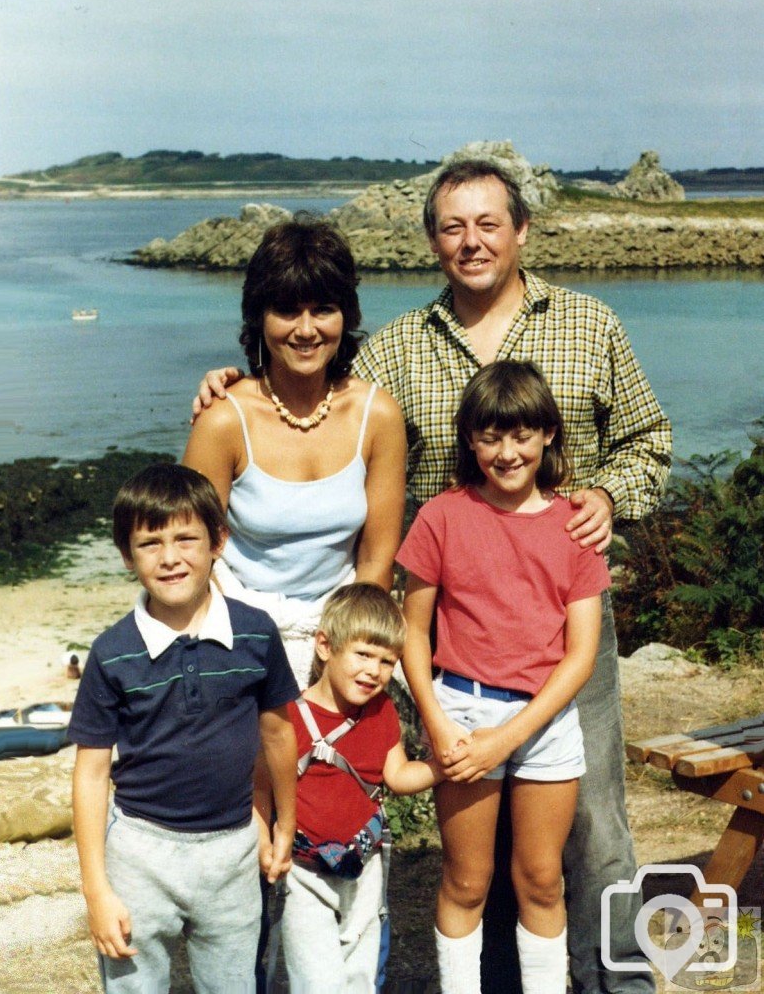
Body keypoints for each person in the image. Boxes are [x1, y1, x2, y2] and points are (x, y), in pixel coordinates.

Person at [192, 159, 672, 993]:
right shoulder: (400, 349)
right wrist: (233, 380)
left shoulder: (590, 324)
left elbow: (649, 440)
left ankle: (617, 984)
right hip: (448, 641)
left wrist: (604, 493)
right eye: (452, 227)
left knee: (592, 829)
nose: (472, 241)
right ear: (431, 242)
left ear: (522, 230)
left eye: (489, 223)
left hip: (565, 629)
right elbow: (319, 387)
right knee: (472, 841)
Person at [397, 360, 611, 993]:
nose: (507, 452)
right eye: (490, 436)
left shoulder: (576, 529)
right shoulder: (441, 515)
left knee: (541, 879)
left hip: (543, 724)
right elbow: (413, 632)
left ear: (548, 434)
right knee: (466, 881)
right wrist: (437, 723)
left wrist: (508, 736)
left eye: (521, 435)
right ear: (470, 440)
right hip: (461, 714)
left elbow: (579, 658)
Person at [69, 463, 300, 994]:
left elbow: (278, 735)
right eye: (150, 543)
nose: (170, 557)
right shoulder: (111, 653)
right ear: (128, 556)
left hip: (233, 849)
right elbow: (90, 775)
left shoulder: (256, 633)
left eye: (186, 538)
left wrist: (282, 820)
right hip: (139, 855)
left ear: (218, 540)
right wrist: (96, 890)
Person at [184, 216, 406, 691]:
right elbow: (190, 549)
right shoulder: (224, 418)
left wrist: (341, 658)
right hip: (232, 627)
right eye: (287, 311)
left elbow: (375, 561)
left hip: (342, 632)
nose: (306, 330)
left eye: (322, 309)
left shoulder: (378, 415)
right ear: (259, 317)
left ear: (345, 315)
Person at [262, 582, 442, 993]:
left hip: (364, 863)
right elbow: (263, 788)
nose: (373, 671)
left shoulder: (382, 712)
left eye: (386, 661)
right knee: (318, 979)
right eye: (363, 654)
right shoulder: (289, 716)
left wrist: (442, 767)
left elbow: (397, 777)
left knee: (360, 972)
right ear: (325, 646)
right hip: (304, 867)